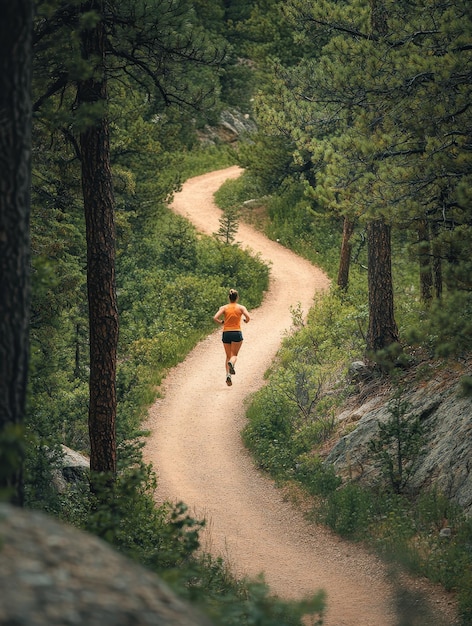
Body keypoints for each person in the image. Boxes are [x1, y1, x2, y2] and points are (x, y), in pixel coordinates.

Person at [213, 289, 250, 386]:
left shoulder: (224, 308)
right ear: (237, 298)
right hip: (236, 332)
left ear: (228, 298)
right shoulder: (241, 308)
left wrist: (221, 322)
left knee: (228, 355)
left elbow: (215, 317)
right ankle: (232, 363)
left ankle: (228, 375)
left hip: (226, 333)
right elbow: (248, 317)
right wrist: (246, 320)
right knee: (234, 355)